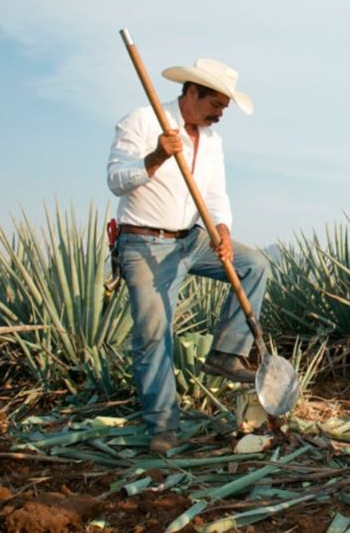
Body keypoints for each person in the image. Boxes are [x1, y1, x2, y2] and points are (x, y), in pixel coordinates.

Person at [107, 58, 270, 453]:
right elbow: (115, 180)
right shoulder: (144, 120)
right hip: (144, 244)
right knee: (152, 336)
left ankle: (226, 354)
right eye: (216, 105)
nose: (219, 115)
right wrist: (156, 157)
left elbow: (214, 195)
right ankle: (164, 429)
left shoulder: (212, 141)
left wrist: (223, 231)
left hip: (190, 240)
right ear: (192, 92)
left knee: (254, 264)